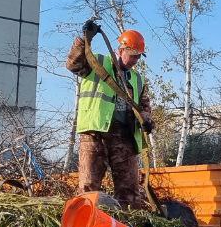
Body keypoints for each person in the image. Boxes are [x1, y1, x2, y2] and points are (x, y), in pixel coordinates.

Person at [65, 21, 155, 207]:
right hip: (95, 134)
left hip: (125, 138)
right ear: (120, 50)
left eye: (138, 57)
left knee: (130, 193)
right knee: (89, 188)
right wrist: (85, 39)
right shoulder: (97, 63)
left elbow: (145, 106)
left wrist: (147, 120)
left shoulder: (138, 79)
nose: (134, 60)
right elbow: (73, 64)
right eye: (132, 55)